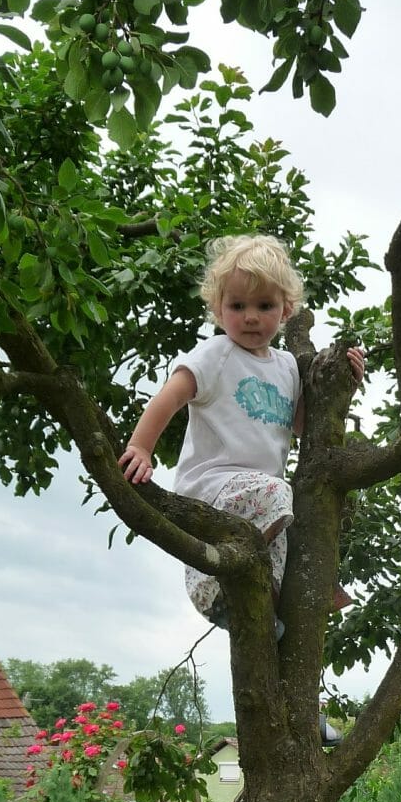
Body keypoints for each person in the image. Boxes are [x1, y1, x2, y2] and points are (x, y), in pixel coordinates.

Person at [118, 233, 364, 632]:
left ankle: (256, 604)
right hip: (212, 487)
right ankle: (216, 581)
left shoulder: (286, 367)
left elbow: (305, 427)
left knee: (292, 514)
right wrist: (140, 448)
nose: (251, 316)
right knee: (278, 495)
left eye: (264, 306)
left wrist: (344, 384)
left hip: (261, 498)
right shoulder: (216, 354)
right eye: (237, 305)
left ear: (285, 310)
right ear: (217, 309)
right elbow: (170, 397)